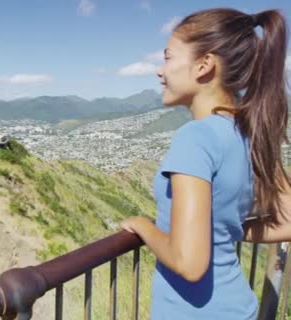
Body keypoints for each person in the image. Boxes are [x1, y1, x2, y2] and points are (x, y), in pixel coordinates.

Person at [120, 8, 291, 319]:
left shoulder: (195, 138)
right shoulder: (248, 133)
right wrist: (230, 232)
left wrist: (143, 226)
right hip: (240, 308)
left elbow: (188, 263)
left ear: (203, 65)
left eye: (169, 57)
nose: (160, 71)